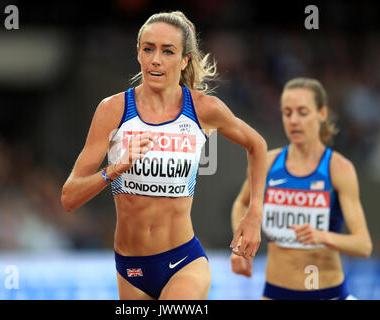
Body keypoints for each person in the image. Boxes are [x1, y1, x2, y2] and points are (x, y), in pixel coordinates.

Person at [62, 11, 267, 300]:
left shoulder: (203, 109)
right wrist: (116, 168)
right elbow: (70, 197)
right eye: (148, 49)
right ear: (138, 54)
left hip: (184, 262)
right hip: (130, 270)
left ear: (185, 60)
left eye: (168, 51)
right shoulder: (113, 110)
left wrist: (254, 212)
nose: (156, 59)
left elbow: (257, 145)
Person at [230, 77, 373, 300]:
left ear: (322, 114)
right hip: (275, 293)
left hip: (327, 293)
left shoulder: (338, 169)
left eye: (302, 112)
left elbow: (363, 245)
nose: (294, 120)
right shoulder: (267, 163)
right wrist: (239, 246)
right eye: (287, 113)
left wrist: (322, 237)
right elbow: (241, 204)